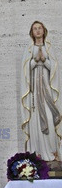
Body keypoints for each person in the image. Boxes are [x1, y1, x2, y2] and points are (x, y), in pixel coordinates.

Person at [21, 20, 62, 161]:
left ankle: (52, 153)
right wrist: (34, 61)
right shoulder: (29, 49)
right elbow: (25, 72)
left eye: (40, 28)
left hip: (47, 92)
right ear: (32, 32)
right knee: (35, 122)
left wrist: (44, 60)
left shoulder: (49, 48)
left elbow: (55, 70)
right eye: (35, 29)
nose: (38, 31)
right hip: (34, 95)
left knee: (50, 120)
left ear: (44, 30)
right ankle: (37, 155)